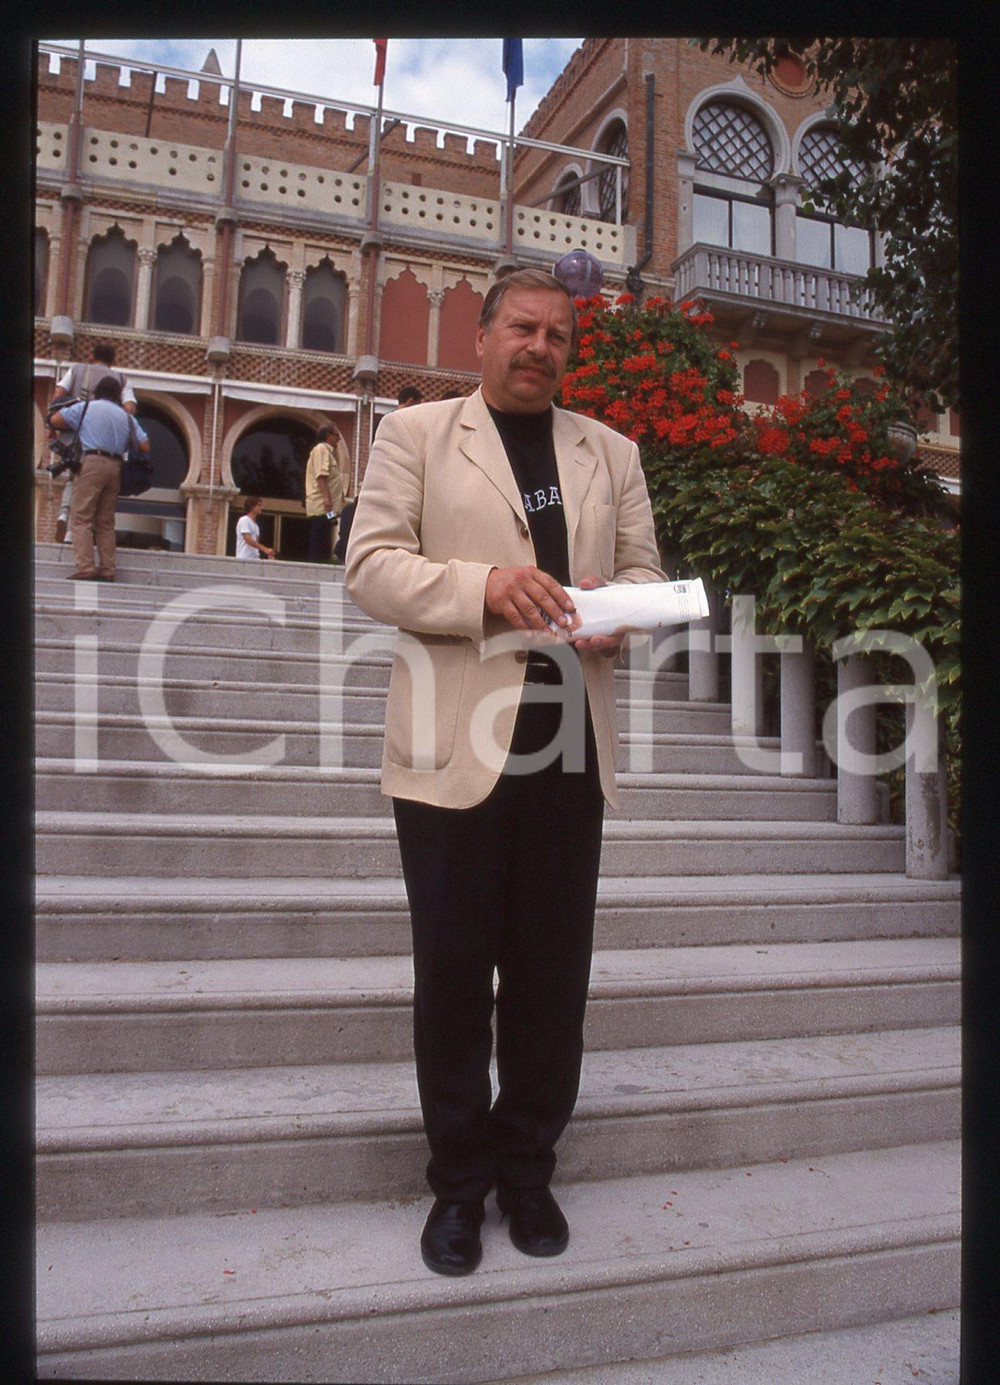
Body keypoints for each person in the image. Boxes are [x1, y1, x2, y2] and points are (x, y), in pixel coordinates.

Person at [346, 267, 664, 1277]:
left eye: (559, 335)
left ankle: (528, 1168)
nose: (540, 346)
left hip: (568, 741)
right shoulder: (418, 436)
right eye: (522, 327)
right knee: (451, 974)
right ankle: (458, 1182)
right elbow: (371, 565)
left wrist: (620, 611)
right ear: (479, 338)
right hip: (452, 746)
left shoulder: (610, 452)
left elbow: (649, 577)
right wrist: (487, 585)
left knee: (548, 975)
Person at [48, 374, 150, 582]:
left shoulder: (86, 408)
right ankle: (107, 569)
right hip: (116, 467)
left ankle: (86, 567)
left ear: (98, 393)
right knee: (105, 522)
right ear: (117, 396)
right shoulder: (126, 417)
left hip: (92, 462)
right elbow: (145, 445)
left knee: (82, 516)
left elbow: (55, 420)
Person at [48, 341, 138, 545]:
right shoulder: (121, 379)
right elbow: (130, 407)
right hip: (100, 438)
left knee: (75, 474)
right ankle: (71, 529)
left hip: (72, 431)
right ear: (113, 361)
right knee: (84, 481)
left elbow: (58, 394)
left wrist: (52, 425)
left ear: (91, 356)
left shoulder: (77, 369)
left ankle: (64, 513)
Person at [304, 423, 347, 564]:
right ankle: (314, 569)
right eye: (337, 435)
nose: (339, 439)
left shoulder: (328, 452)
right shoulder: (321, 449)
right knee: (319, 539)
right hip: (322, 505)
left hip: (327, 508)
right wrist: (327, 498)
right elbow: (321, 475)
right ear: (328, 435)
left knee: (324, 538)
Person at [235, 496, 275, 561]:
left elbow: (255, 542)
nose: (261, 508)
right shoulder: (244, 520)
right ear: (252, 506)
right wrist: (265, 549)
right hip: (244, 558)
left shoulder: (256, 526)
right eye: (259, 505)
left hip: (254, 559)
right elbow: (248, 539)